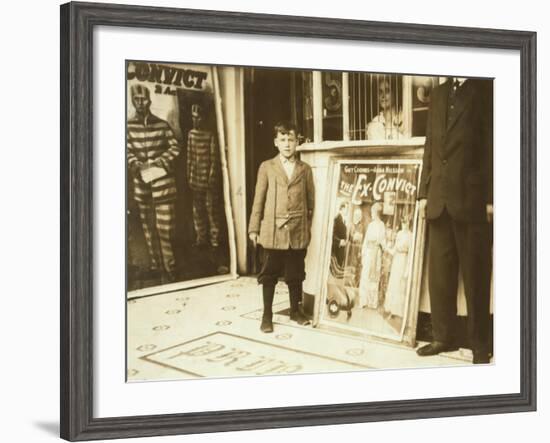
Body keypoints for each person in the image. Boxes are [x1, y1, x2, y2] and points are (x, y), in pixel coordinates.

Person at [416, 77, 493, 364]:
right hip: (438, 200)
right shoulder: (438, 94)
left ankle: (480, 345)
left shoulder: (485, 89)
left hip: (471, 200)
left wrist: (491, 197)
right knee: (440, 276)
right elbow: (430, 145)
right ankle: (443, 337)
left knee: (476, 276)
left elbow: (492, 145)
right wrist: (423, 193)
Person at [248, 121, 315, 333]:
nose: (287, 144)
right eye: (283, 140)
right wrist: (254, 228)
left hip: (297, 230)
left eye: (291, 140)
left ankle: (296, 311)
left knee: (295, 273)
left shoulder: (305, 170)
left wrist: (305, 226)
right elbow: (258, 199)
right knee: (269, 274)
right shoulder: (267, 167)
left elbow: (310, 202)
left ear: (298, 142)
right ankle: (267, 316)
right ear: (276, 142)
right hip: (272, 231)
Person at [127, 84, 181, 282]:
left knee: (165, 228)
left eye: (144, 99)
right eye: (136, 99)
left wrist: (160, 161)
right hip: (142, 186)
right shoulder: (128, 127)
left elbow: (175, 147)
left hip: (163, 185)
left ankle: (171, 267)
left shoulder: (162, 124)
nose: (141, 103)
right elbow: (126, 150)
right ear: (133, 101)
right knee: (148, 228)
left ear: (149, 100)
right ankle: (156, 266)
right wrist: (137, 164)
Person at [187, 103, 222, 249]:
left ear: (203, 118)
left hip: (208, 182)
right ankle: (201, 238)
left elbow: (214, 159)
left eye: (199, 118)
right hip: (195, 181)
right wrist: (189, 176)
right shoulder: (191, 134)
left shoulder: (210, 135)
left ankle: (215, 240)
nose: (196, 121)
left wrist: (211, 178)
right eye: (194, 118)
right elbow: (189, 157)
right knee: (198, 210)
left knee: (211, 210)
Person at [358, 203, 386, 309]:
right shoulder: (370, 225)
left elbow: (383, 241)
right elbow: (366, 240)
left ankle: (372, 302)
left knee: (374, 277)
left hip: (376, 253)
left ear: (376, 213)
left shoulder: (381, 225)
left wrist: (384, 247)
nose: (372, 214)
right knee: (365, 275)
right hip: (369, 252)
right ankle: (363, 300)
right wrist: (364, 252)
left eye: (373, 212)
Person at [384, 216, 412, 319]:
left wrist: (407, 270)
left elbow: (410, 254)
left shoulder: (410, 236)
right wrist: (387, 248)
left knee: (401, 284)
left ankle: (398, 311)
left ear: (409, 223)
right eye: (403, 223)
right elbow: (395, 249)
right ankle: (391, 309)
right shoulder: (399, 234)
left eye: (407, 223)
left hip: (403, 261)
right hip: (396, 260)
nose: (405, 225)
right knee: (394, 283)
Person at [332, 202, 349, 268]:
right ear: (342, 208)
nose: (347, 210)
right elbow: (332, 234)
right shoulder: (336, 219)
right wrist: (339, 241)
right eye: (346, 208)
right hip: (337, 248)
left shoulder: (343, 220)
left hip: (341, 248)